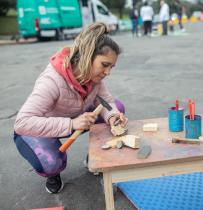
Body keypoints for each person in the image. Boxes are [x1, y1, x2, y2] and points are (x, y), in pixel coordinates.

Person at [13, 22, 128, 194]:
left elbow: (106, 102)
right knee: (52, 163)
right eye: (105, 65)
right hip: (37, 128)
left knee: (117, 108)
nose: (108, 72)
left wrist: (112, 116)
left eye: (111, 67)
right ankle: (53, 174)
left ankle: (97, 156)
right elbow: (21, 123)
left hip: (74, 120)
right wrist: (71, 124)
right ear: (87, 56)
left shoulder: (93, 77)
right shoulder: (51, 80)